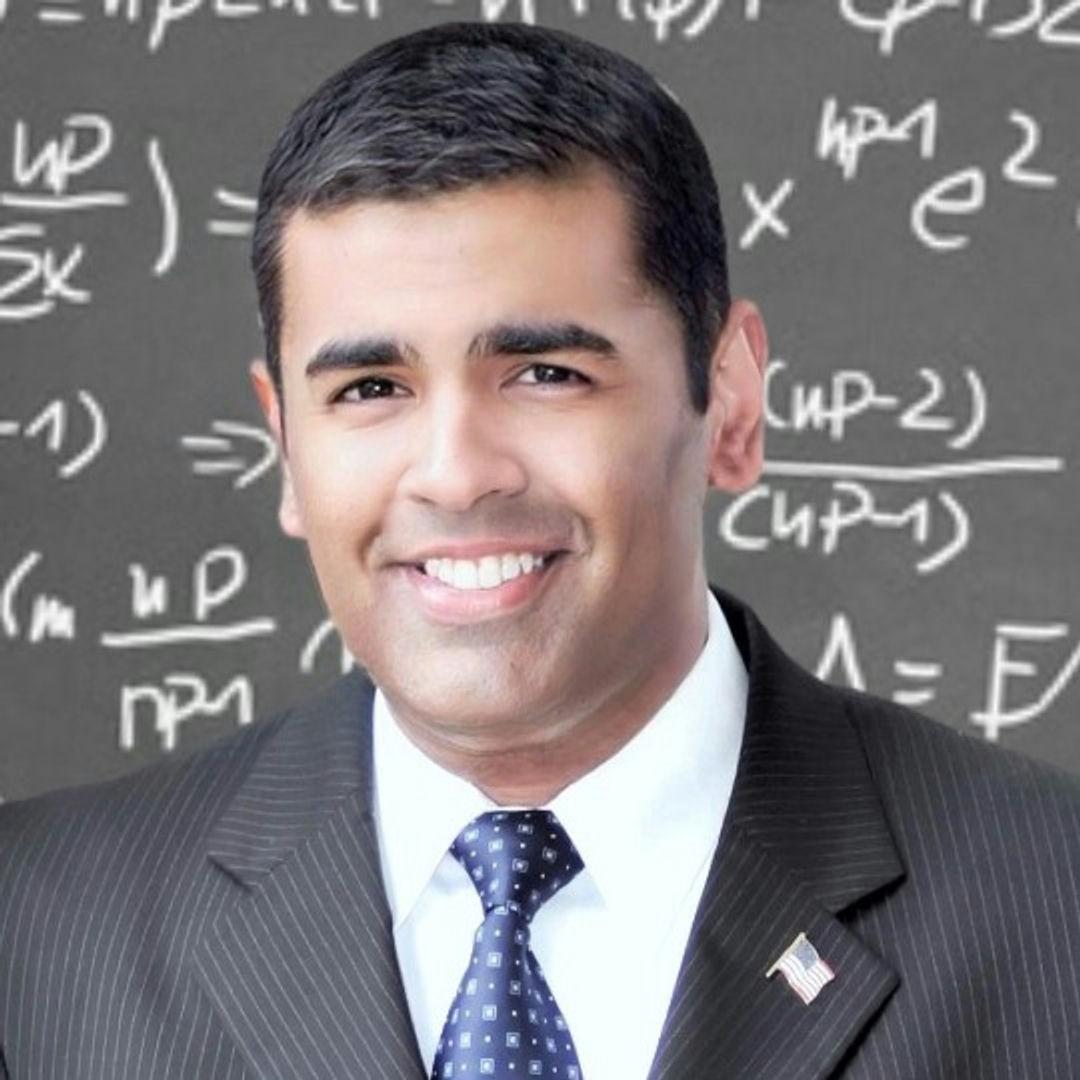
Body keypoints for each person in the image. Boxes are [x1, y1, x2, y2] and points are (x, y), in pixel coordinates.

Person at [2, 19, 1079, 1080]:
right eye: (371, 390)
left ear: (733, 402)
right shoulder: (33, 931)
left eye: (546, 373)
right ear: (284, 442)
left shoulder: (1055, 903)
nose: (457, 472)